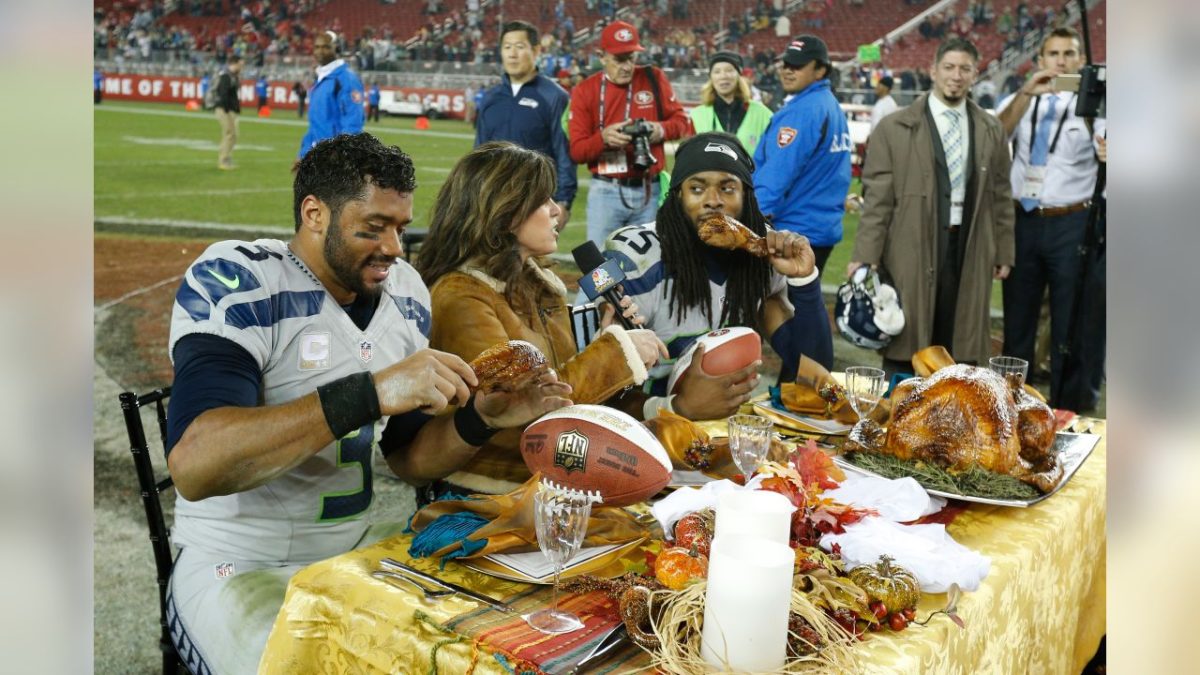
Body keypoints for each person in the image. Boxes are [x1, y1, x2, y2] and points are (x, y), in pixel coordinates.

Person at [163, 133, 572, 674]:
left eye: (399, 228)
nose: (395, 248)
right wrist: (370, 391)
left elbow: (408, 458)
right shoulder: (246, 279)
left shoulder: (405, 293)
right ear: (314, 213)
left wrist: (478, 420)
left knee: (468, 653)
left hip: (352, 555)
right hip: (236, 562)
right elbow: (195, 464)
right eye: (372, 228)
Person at [416, 142, 666, 495]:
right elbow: (527, 407)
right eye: (542, 201)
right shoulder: (461, 297)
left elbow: (560, 378)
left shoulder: (535, 285)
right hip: (487, 495)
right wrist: (616, 352)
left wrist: (604, 336)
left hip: (544, 482)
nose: (556, 211)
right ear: (505, 212)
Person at [604, 131, 833, 420]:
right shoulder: (636, 260)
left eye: (727, 188)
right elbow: (594, 392)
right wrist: (675, 408)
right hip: (642, 438)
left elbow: (814, 368)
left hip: (725, 434)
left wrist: (805, 279)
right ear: (677, 196)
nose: (713, 201)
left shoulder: (759, 258)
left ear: (747, 197)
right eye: (697, 189)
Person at [849, 37, 1015, 376]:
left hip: (969, 244)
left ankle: (957, 413)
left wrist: (1004, 251)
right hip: (910, 244)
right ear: (933, 71)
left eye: (965, 69)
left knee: (963, 337)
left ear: (975, 74)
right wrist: (865, 255)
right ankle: (903, 409)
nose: (956, 75)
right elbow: (877, 198)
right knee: (908, 334)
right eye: (949, 67)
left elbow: (1001, 194)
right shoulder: (894, 128)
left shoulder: (990, 128)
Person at [995, 27, 1105, 403]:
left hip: (1071, 221)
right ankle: (1011, 403)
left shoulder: (1099, 103)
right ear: (1040, 61)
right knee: (1018, 320)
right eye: (1053, 53)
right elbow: (995, 138)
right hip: (1023, 220)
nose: (1060, 60)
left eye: (1069, 53)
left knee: (1070, 322)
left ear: (1080, 60)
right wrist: (1026, 93)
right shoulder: (1021, 99)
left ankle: (1067, 405)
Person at [568, 20, 692, 251]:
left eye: (631, 58)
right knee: (600, 271)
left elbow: (684, 124)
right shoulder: (586, 90)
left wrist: (659, 130)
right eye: (619, 59)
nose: (626, 66)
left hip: (650, 190)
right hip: (605, 192)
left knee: (649, 268)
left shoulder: (653, 78)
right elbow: (577, 151)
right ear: (601, 56)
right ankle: (598, 289)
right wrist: (602, 139)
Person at [752, 34, 852, 274]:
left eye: (797, 65)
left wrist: (749, 221)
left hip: (792, 233)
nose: (787, 70)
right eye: (785, 64)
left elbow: (776, 175)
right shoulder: (828, 104)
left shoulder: (803, 112)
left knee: (776, 310)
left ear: (819, 70)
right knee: (803, 306)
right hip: (820, 229)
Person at [475, 21, 577, 226]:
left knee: (534, 259)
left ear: (536, 50)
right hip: (494, 201)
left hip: (536, 201)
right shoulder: (490, 98)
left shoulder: (555, 96)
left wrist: (564, 201)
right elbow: (479, 152)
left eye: (519, 47)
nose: (512, 54)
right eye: (507, 47)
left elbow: (564, 152)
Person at [293, 31, 365, 171]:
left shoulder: (346, 79)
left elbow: (353, 122)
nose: (320, 51)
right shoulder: (321, 78)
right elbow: (315, 124)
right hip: (315, 155)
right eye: (317, 47)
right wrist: (303, 154)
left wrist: (340, 155)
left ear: (336, 48)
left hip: (334, 160)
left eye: (325, 47)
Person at [689, 51, 774, 154]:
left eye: (729, 70)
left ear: (739, 75)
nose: (723, 76)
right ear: (711, 77)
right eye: (717, 71)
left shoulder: (763, 114)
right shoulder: (696, 116)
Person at [214, 55, 243, 170]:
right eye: (240, 64)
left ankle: (226, 157)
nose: (242, 67)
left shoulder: (233, 76)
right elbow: (223, 94)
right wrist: (227, 109)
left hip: (229, 109)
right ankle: (223, 160)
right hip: (224, 109)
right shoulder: (225, 76)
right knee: (229, 134)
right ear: (234, 64)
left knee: (233, 135)